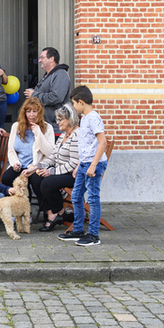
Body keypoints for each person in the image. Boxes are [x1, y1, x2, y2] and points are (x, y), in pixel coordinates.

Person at [59, 86, 108, 246]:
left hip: (94, 164)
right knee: (76, 196)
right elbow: (87, 145)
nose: (73, 107)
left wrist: (93, 165)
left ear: (81, 102)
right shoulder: (85, 118)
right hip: (84, 164)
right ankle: (78, 230)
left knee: (93, 199)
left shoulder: (93, 118)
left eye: (74, 103)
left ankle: (93, 235)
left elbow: (102, 143)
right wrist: (80, 164)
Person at [32, 104, 80, 232]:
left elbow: (74, 163)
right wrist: (38, 167)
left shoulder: (77, 135)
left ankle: (57, 213)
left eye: (60, 119)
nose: (57, 122)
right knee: (35, 178)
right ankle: (56, 213)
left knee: (47, 183)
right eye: (57, 119)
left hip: (73, 174)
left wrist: (51, 172)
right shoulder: (64, 135)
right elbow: (53, 157)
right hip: (60, 171)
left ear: (70, 119)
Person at [1, 98, 55, 206]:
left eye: (35, 111)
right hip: (20, 165)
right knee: (6, 178)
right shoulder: (16, 126)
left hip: (36, 166)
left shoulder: (47, 128)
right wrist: (15, 163)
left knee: (37, 181)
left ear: (39, 113)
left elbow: (49, 153)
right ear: (24, 112)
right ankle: (18, 207)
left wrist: (38, 133)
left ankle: (46, 210)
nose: (31, 115)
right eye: (28, 111)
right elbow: (11, 150)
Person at [24, 47, 71, 132]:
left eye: (42, 57)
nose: (39, 61)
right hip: (45, 126)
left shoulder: (61, 74)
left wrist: (34, 95)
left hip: (55, 128)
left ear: (51, 59)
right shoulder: (47, 76)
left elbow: (56, 97)